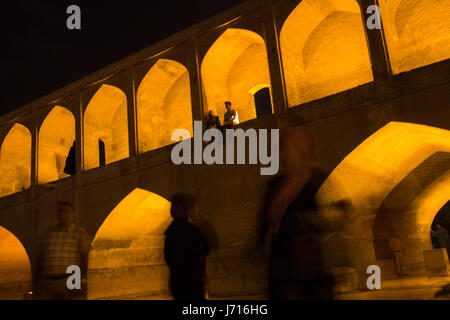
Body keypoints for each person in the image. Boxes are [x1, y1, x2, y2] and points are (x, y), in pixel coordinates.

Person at [261, 126, 340, 300]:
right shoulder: (275, 185)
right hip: (283, 267)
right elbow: (265, 222)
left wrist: (305, 221)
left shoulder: (318, 179)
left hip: (312, 268)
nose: (284, 151)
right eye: (282, 147)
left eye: (289, 146)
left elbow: (338, 211)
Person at [34, 202, 91, 300]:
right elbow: (41, 259)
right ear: (57, 214)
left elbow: (85, 258)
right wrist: (36, 283)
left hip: (71, 279)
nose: (64, 214)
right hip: (49, 283)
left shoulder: (79, 233)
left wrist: (82, 281)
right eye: (61, 211)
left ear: (72, 215)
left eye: (67, 212)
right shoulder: (48, 233)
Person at [164, 193, 209, 300]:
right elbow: (203, 249)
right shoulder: (191, 229)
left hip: (181, 279)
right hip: (191, 278)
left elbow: (168, 257)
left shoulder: (172, 231)